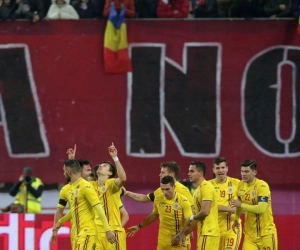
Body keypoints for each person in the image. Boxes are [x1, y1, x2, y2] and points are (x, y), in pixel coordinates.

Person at [125, 161, 194, 250]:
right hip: (163, 241)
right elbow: (145, 198)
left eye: (162, 172)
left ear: (171, 175)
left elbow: (192, 213)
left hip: (180, 239)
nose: (159, 175)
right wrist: (127, 193)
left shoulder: (183, 190)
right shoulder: (160, 191)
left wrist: (187, 233)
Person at [51, 159, 116, 248]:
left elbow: (99, 209)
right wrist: (59, 223)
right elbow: (75, 209)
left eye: (64, 171)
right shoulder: (71, 188)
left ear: (69, 172)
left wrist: (107, 230)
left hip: (88, 232)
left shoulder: (86, 186)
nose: (63, 174)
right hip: (78, 233)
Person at [230, 159, 278, 250]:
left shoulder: (262, 186)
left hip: (265, 234)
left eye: (247, 171)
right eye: (242, 171)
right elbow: (239, 204)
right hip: (250, 236)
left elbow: (261, 209)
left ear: (254, 172)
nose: (243, 174)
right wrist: (236, 218)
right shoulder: (240, 185)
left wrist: (241, 205)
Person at [171, 161, 220, 249]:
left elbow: (205, 212)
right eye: (189, 171)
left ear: (200, 173)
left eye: (192, 171)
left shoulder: (206, 187)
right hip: (203, 233)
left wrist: (191, 218)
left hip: (209, 233)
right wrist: (183, 233)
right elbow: (197, 218)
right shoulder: (197, 191)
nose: (188, 174)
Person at [53, 145, 92, 249]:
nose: (90, 170)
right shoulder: (66, 189)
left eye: (90, 169)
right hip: (76, 229)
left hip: (93, 230)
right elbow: (60, 210)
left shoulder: (92, 186)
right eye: (87, 169)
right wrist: (56, 228)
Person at [90, 142, 127, 250]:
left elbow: (123, 178)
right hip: (97, 233)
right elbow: (75, 184)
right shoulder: (91, 186)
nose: (101, 166)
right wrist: (71, 161)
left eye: (105, 166)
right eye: (100, 165)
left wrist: (115, 157)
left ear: (110, 173)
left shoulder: (111, 184)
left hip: (113, 232)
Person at [208, 157, 241, 250]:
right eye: (217, 168)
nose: (220, 170)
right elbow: (207, 206)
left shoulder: (237, 183)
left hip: (232, 227)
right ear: (213, 170)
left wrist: (240, 208)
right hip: (214, 230)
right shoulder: (208, 186)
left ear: (227, 168)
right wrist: (229, 209)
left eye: (223, 167)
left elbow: (243, 205)